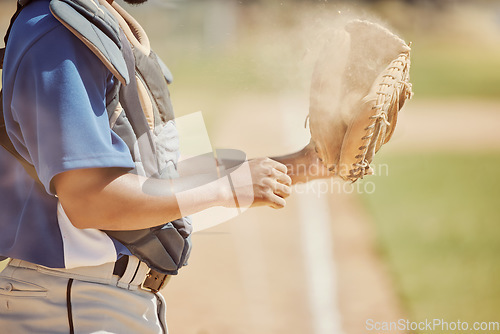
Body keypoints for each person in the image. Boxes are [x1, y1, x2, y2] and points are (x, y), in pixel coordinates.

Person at [0, 0, 326, 332]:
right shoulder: (57, 32)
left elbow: (165, 180)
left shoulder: (107, 28)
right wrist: (226, 189)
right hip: (73, 305)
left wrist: (305, 164)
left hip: (98, 302)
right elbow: (89, 200)